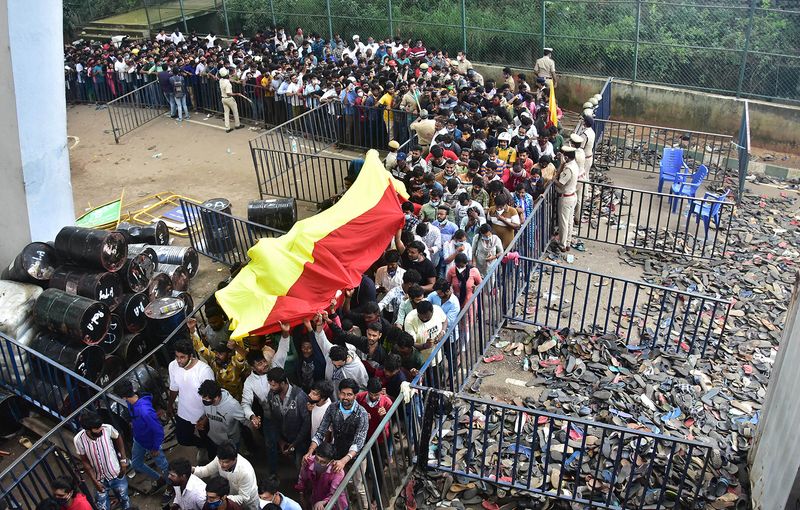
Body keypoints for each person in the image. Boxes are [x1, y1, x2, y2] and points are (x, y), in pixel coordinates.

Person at [303, 378, 369, 509]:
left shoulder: (361, 414)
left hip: (356, 457)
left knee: (359, 487)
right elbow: (321, 431)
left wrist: (344, 461)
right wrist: (310, 451)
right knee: (338, 485)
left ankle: (365, 507)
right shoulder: (332, 408)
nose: (345, 397)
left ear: (355, 396)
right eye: (343, 393)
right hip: (337, 454)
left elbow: (358, 442)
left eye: (349, 394)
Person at [116, 380, 170, 495]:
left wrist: (155, 447)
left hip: (150, 443)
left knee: (164, 466)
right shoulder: (133, 402)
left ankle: (171, 487)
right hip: (139, 439)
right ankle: (160, 479)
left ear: (123, 397)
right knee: (136, 464)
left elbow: (158, 430)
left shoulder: (144, 411)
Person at [73, 411, 131, 510]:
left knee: (125, 500)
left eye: (100, 426)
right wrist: (95, 481)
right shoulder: (78, 440)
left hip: (117, 474)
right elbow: (85, 461)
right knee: (102, 507)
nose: (100, 430)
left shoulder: (107, 428)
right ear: (88, 429)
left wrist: (123, 460)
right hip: (99, 480)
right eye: (96, 429)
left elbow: (118, 437)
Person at [168, 338, 215, 450]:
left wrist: (206, 418)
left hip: (202, 414)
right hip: (184, 412)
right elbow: (174, 387)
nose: (179, 360)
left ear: (190, 356)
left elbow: (212, 397)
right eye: (177, 356)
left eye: (182, 357)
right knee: (183, 439)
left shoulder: (204, 371)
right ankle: (202, 446)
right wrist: (169, 405)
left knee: (210, 441)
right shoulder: (173, 366)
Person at [264, 367, 311, 469]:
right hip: (285, 439)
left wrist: (295, 443)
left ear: (283, 383)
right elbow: (273, 419)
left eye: (274, 385)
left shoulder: (299, 396)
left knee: (301, 465)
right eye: (270, 385)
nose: (271, 388)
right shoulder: (271, 395)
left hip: (300, 441)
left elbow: (307, 422)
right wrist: (280, 440)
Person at [194, 442, 259, 510]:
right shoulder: (220, 458)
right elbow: (207, 470)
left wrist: (222, 498)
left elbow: (244, 498)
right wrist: (192, 470)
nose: (222, 464)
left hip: (248, 502)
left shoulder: (245, 472)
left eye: (226, 462)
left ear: (235, 459)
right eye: (220, 461)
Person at [197, 380, 248, 458]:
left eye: (207, 400)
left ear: (216, 398)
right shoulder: (206, 400)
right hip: (214, 438)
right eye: (203, 399)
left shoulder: (233, 406)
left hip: (231, 442)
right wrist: (203, 421)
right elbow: (208, 414)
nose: (204, 402)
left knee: (230, 460)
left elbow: (245, 421)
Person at [295, 442, 347, 510]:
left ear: (331, 462)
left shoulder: (337, 471)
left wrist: (323, 502)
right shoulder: (308, 462)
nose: (318, 463)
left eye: (323, 462)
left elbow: (334, 494)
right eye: (316, 459)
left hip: (337, 505)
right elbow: (302, 479)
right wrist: (301, 494)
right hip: (316, 500)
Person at [554, 146, 579, 252]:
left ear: (567, 157)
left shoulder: (568, 169)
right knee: (569, 221)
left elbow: (560, 184)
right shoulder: (573, 164)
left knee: (564, 222)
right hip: (572, 195)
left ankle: (562, 244)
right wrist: (562, 163)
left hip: (566, 197)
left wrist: (553, 180)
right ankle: (567, 242)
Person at [219, 67, 243, 132]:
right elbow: (229, 93)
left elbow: (229, 77)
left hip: (223, 99)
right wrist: (237, 94)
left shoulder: (221, 80)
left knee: (226, 113)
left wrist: (233, 77)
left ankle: (227, 128)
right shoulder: (228, 83)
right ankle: (237, 125)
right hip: (229, 99)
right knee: (235, 111)